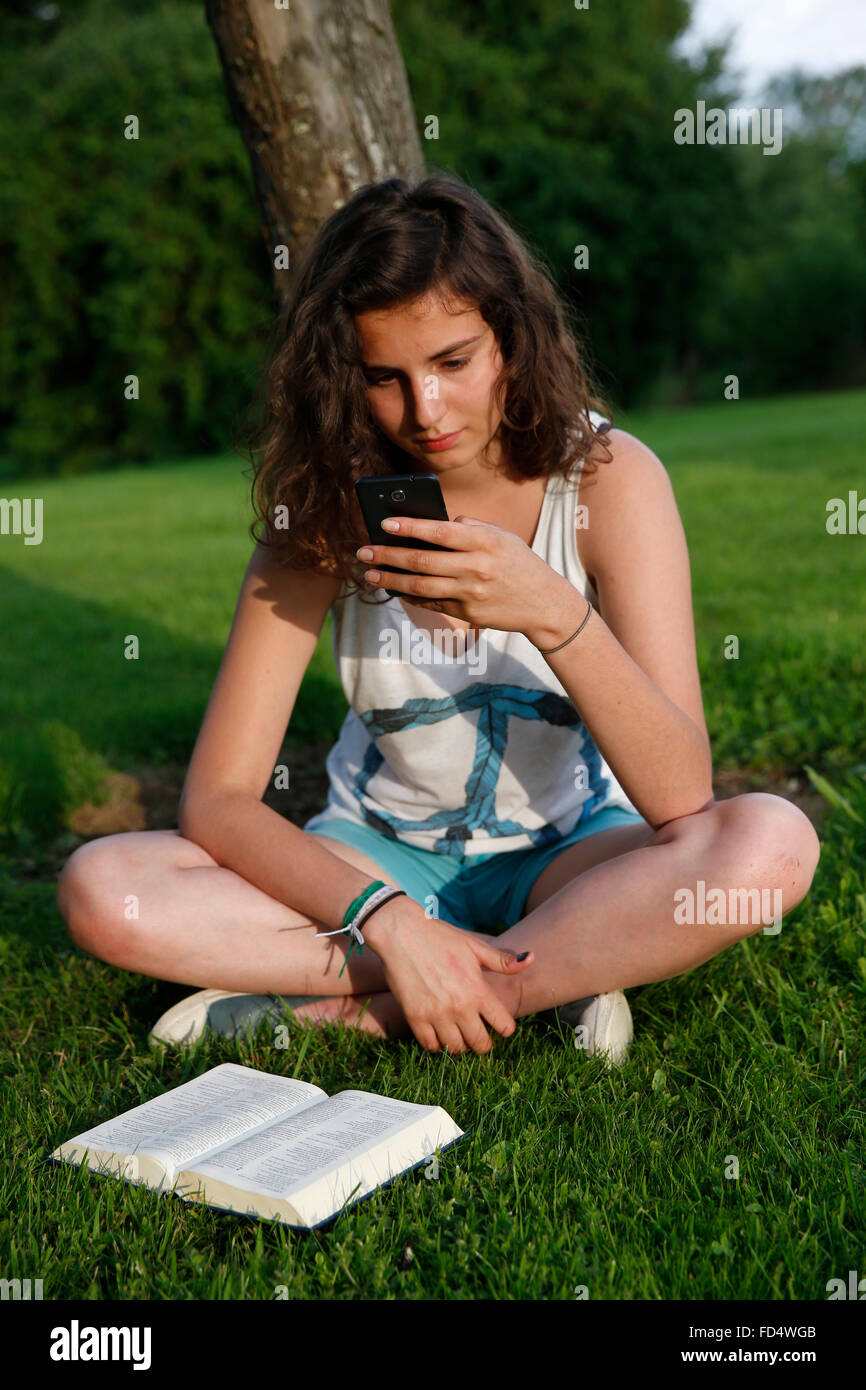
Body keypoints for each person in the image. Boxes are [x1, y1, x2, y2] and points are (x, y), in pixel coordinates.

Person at [55, 170, 821, 1063]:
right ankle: (546, 977)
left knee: (768, 845)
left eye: (452, 362)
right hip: (377, 857)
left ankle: (363, 1011)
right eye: (385, 376)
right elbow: (221, 800)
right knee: (102, 887)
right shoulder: (325, 503)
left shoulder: (611, 482)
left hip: (570, 856)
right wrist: (383, 917)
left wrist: (552, 613)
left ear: (511, 338)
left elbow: (684, 795)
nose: (425, 411)